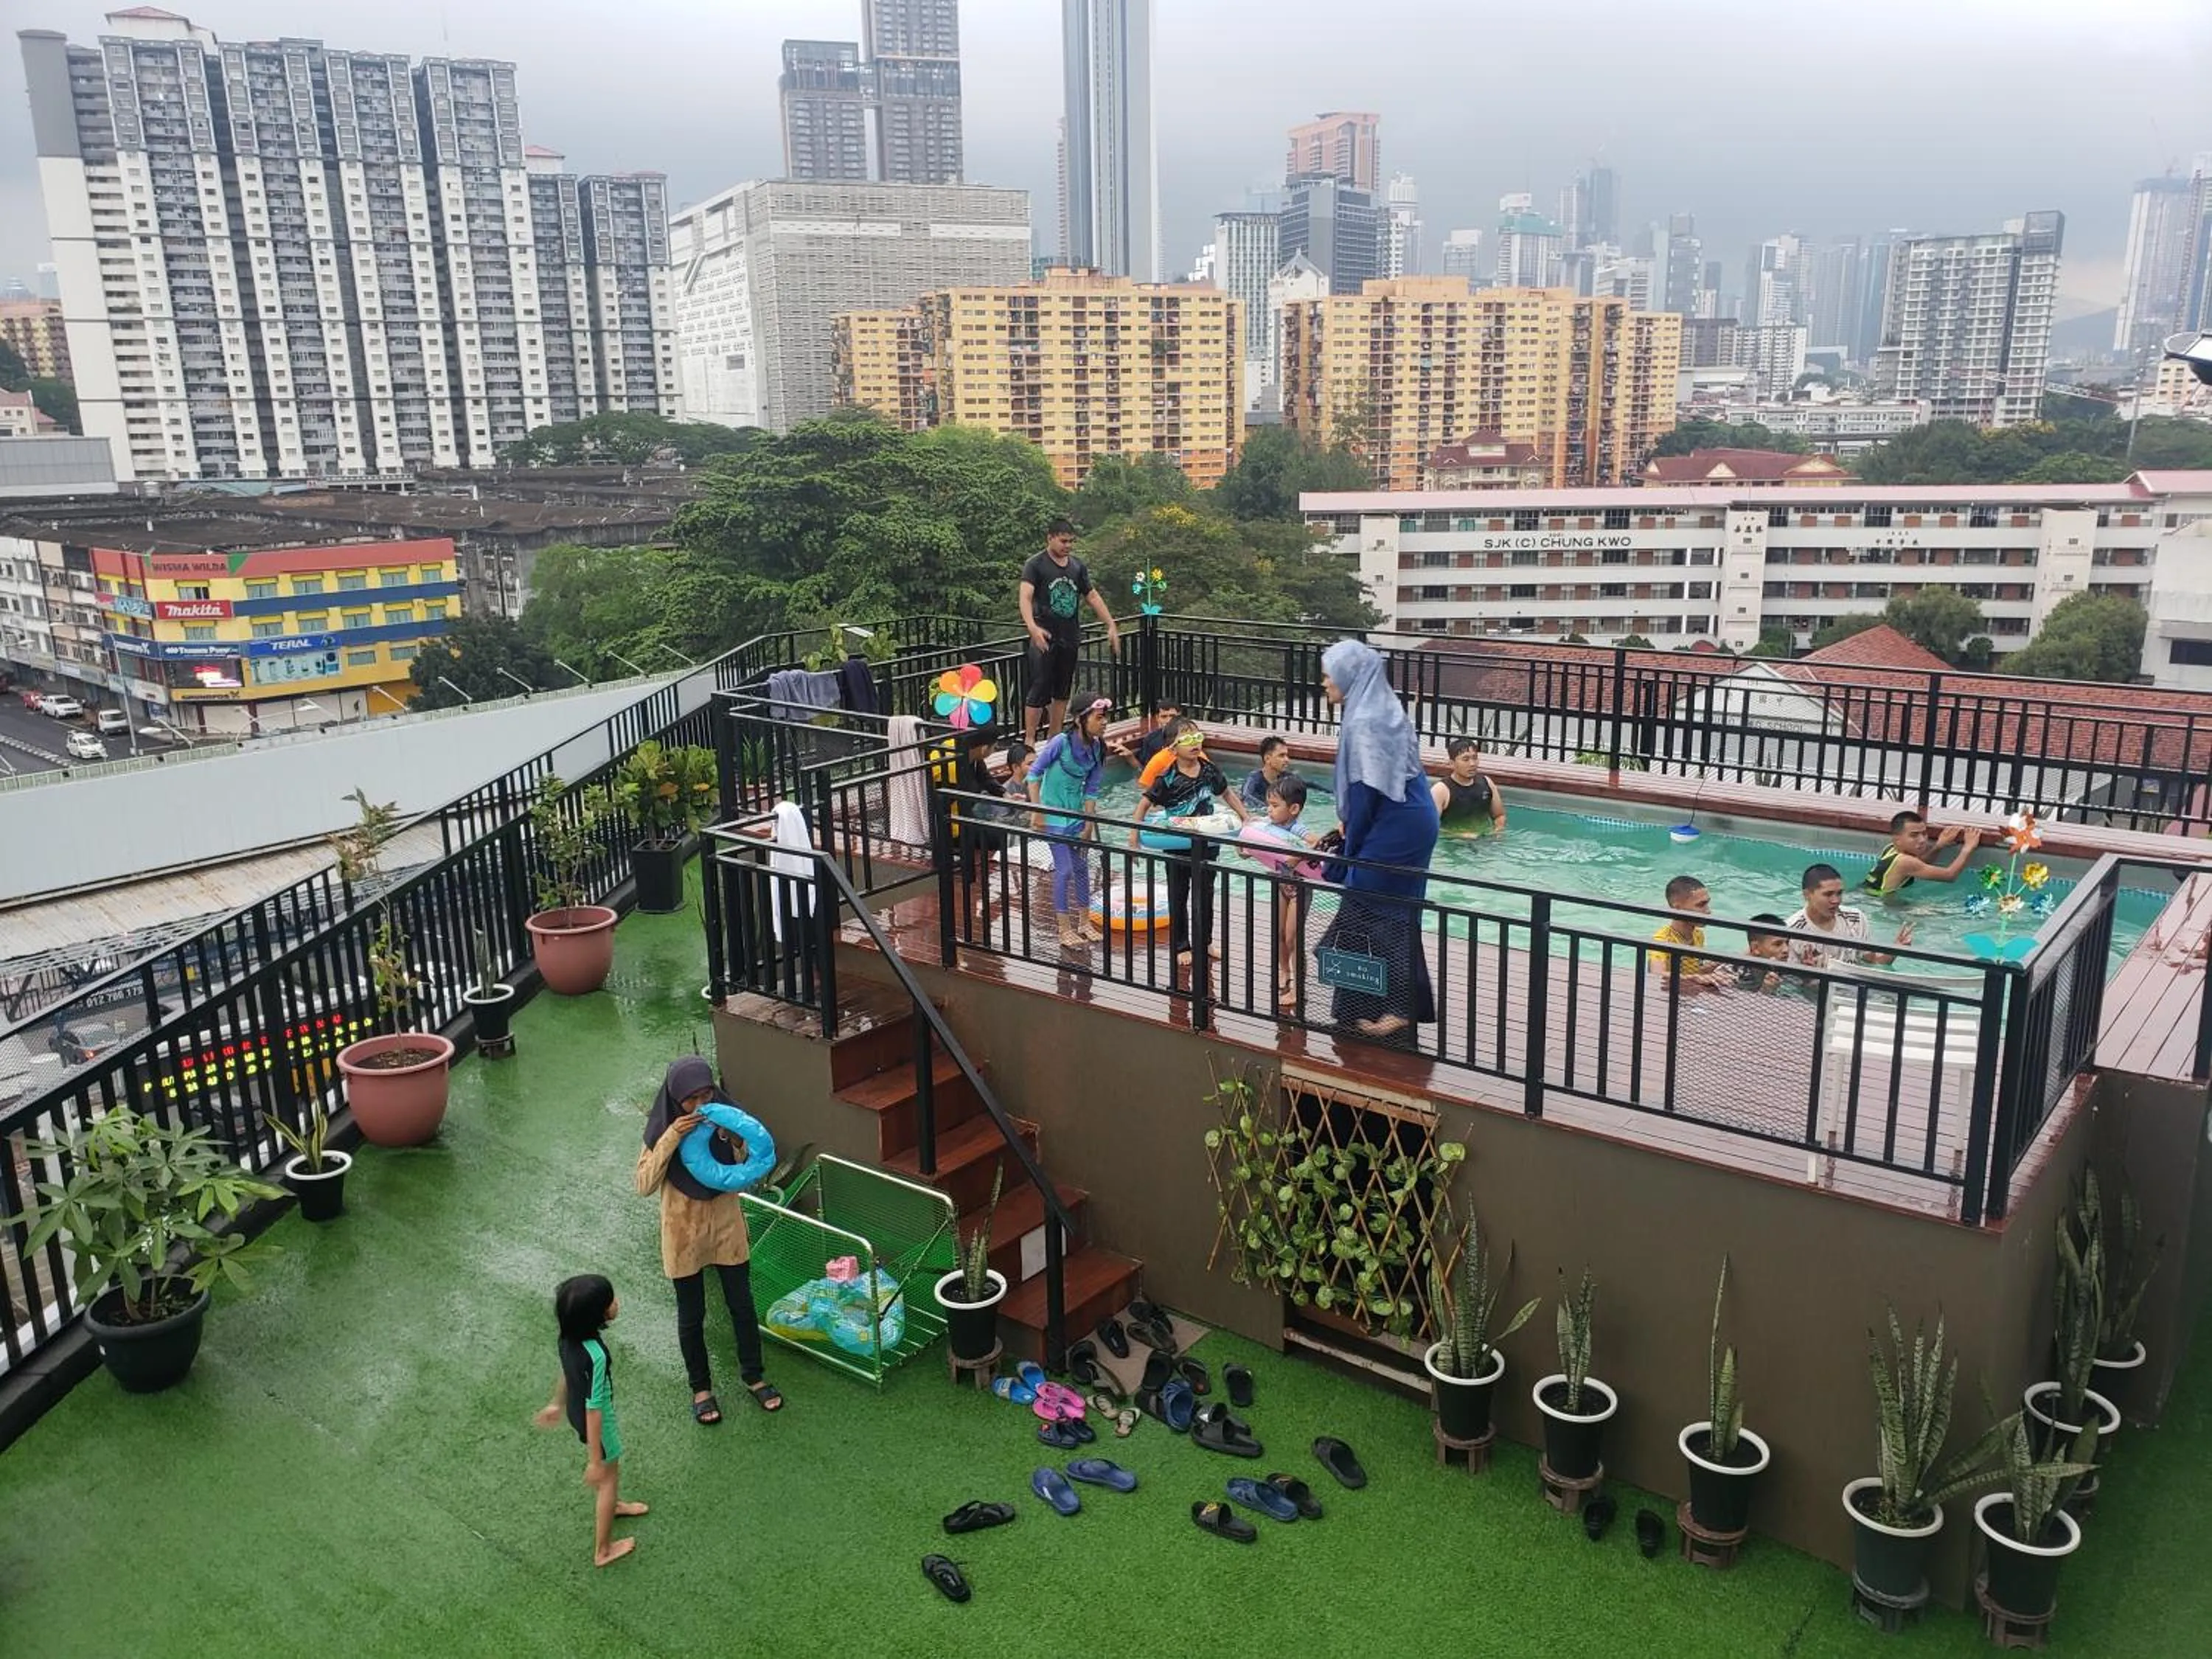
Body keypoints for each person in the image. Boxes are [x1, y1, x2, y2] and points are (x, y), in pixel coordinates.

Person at [636, 1057, 782, 1426]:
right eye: (691, 1099)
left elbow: (748, 1162)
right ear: (675, 1098)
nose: (700, 1106)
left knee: (742, 1304)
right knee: (692, 1314)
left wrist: (732, 1136)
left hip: (725, 1225)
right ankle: (701, 1389)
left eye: (706, 1095)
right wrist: (673, 1135)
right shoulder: (661, 1128)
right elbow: (644, 1184)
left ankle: (755, 1376)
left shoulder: (724, 1115)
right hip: (683, 1231)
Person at [1316, 640, 1439, 1045]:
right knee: (1388, 910)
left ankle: (1395, 1009)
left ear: (1351, 674)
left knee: (1368, 904)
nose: (1324, 682)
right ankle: (1365, 1006)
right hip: (1411, 817)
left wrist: (1349, 851)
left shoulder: (1365, 720)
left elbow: (1366, 798)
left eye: (1329, 673)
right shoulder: (1380, 707)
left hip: (1398, 825)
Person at [534, 1274, 648, 1568]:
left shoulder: (567, 1338)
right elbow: (595, 1409)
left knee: (610, 1475)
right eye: (610, 1301)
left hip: (574, 1412)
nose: (616, 1303)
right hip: (597, 1424)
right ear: (598, 1315)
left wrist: (555, 1404)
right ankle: (604, 1551)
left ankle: (615, 1504)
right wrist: (595, 1460)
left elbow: (568, 1375)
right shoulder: (596, 1356)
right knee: (608, 1476)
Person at [1138, 725, 1250, 969]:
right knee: (1178, 895)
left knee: (1205, 894)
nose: (1194, 743)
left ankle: (1206, 941)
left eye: (1197, 737)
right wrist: (1134, 834)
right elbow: (1145, 804)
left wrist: (1245, 818)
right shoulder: (1167, 777)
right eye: (1187, 739)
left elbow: (1227, 794)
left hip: (1206, 843)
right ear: (1173, 747)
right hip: (1177, 845)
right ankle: (1182, 945)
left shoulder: (1209, 770)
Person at [1020, 518, 1121, 750]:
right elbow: (1025, 597)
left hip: (1069, 635)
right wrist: (1032, 628)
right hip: (1044, 635)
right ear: (1051, 538)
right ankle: (1030, 739)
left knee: (1062, 690)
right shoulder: (1035, 564)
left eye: (1071, 542)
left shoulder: (1077, 566)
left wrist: (1110, 624)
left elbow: (1092, 596)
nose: (1067, 546)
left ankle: (1054, 737)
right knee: (1039, 686)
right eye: (1063, 541)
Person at [1027, 695, 1110, 948]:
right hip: (1052, 816)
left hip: (1075, 815)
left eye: (1105, 717)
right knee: (1064, 870)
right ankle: (1064, 930)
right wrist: (1037, 811)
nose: (1105, 723)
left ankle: (1084, 923)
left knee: (1083, 868)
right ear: (1079, 720)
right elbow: (1033, 774)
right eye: (1099, 718)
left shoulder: (1098, 748)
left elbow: (1092, 789)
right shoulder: (1060, 743)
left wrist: (1088, 822)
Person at [1237, 773, 1326, 1009]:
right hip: (1280, 885)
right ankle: (1283, 970)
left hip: (1300, 888)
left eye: (1275, 806)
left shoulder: (1298, 829)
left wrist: (1296, 858)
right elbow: (1244, 854)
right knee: (1279, 933)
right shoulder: (1268, 828)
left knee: (1292, 937)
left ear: (1294, 808)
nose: (1269, 810)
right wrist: (1244, 843)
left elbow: (1317, 844)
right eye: (1269, 805)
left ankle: (1298, 988)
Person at [928, 723, 1006, 915]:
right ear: (983, 748)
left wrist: (1004, 794)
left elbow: (985, 778)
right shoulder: (950, 762)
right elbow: (965, 794)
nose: (994, 751)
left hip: (970, 814)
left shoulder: (972, 754)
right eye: (994, 747)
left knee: (1003, 829)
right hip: (953, 825)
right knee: (1000, 837)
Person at [1785, 863, 1913, 969]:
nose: (1836, 900)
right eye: (1828, 894)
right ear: (1807, 895)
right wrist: (1808, 975)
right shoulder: (1792, 931)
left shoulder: (1856, 919)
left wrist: (1895, 950)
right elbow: (1790, 986)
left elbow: (1873, 961)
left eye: (1839, 893)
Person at [1865, 810, 1983, 896]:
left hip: (1866, 894)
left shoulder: (1891, 848)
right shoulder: (1905, 861)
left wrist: (1938, 846)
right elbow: (1949, 876)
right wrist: (1968, 848)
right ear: (1898, 839)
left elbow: (1919, 864)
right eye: (1914, 835)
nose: (1922, 840)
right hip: (1883, 903)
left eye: (1924, 833)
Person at [1647, 874, 1731, 990]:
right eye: (1701, 905)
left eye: (1707, 903)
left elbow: (1691, 971)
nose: (1708, 911)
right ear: (1677, 908)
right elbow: (1657, 974)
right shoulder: (1663, 940)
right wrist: (1697, 977)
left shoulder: (1698, 935)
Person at [1431, 737, 1507, 835]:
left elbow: (1499, 815)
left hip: (1485, 840)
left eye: (1475, 758)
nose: (1472, 764)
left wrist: (1498, 830)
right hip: (1453, 845)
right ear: (1452, 764)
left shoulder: (1487, 783)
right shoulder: (1441, 791)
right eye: (1465, 759)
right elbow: (1429, 827)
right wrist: (1458, 835)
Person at [1111, 698, 1183, 768]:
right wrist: (1130, 756)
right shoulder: (1150, 739)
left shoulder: (1188, 736)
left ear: (1179, 716)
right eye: (1164, 717)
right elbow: (1142, 768)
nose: (1168, 720)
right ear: (1158, 718)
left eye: (1172, 716)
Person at [1241, 734, 1294, 815]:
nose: (1287, 760)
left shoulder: (1287, 778)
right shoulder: (1254, 780)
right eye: (1281, 756)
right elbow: (1246, 797)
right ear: (1268, 759)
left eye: (1287, 755)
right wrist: (1270, 809)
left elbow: (1306, 785)